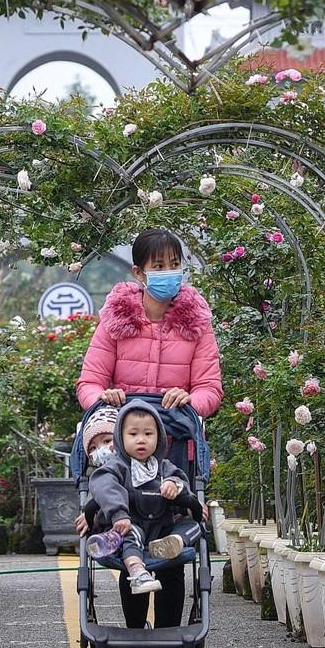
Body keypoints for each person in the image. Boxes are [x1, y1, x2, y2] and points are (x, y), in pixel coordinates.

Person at [76, 228, 223, 417]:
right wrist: (103, 399)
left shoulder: (196, 322)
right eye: (159, 266)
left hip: (177, 438)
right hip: (123, 438)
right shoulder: (116, 319)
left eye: (175, 264)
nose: (168, 272)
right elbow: (89, 383)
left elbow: (209, 389)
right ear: (138, 272)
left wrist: (189, 402)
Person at [85, 406, 204, 593]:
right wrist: (118, 513)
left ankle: (175, 541)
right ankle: (137, 570)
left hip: (164, 530)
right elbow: (105, 486)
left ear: (159, 438)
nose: (141, 439)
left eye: (148, 434)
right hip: (131, 524)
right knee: (130, 534)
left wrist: (175, 485)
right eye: (133, 434)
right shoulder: (117, 467)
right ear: (120, 439)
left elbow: (182, 480)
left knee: (195, 526)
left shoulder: (165, 467)